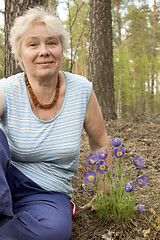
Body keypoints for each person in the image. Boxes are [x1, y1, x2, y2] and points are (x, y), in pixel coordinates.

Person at [0, 6, 112, 240]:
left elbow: (100, 142)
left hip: (47, 191)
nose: (44, 51)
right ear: (20, 55)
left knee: (53, 233)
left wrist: (104, 193)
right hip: (5, 179)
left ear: (61, 49)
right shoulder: (6, 89)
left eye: (52, 43)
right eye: (33, 44)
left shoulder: (81, 89)